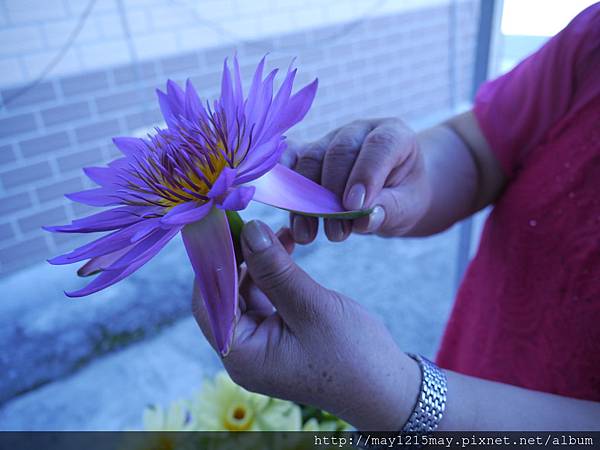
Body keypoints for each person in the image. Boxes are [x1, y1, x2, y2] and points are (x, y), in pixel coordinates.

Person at [193, 4, 600, 430]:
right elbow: (479, 149)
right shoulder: (592, 36)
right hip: (468, 353)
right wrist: (408, 177)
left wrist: (402, 399)